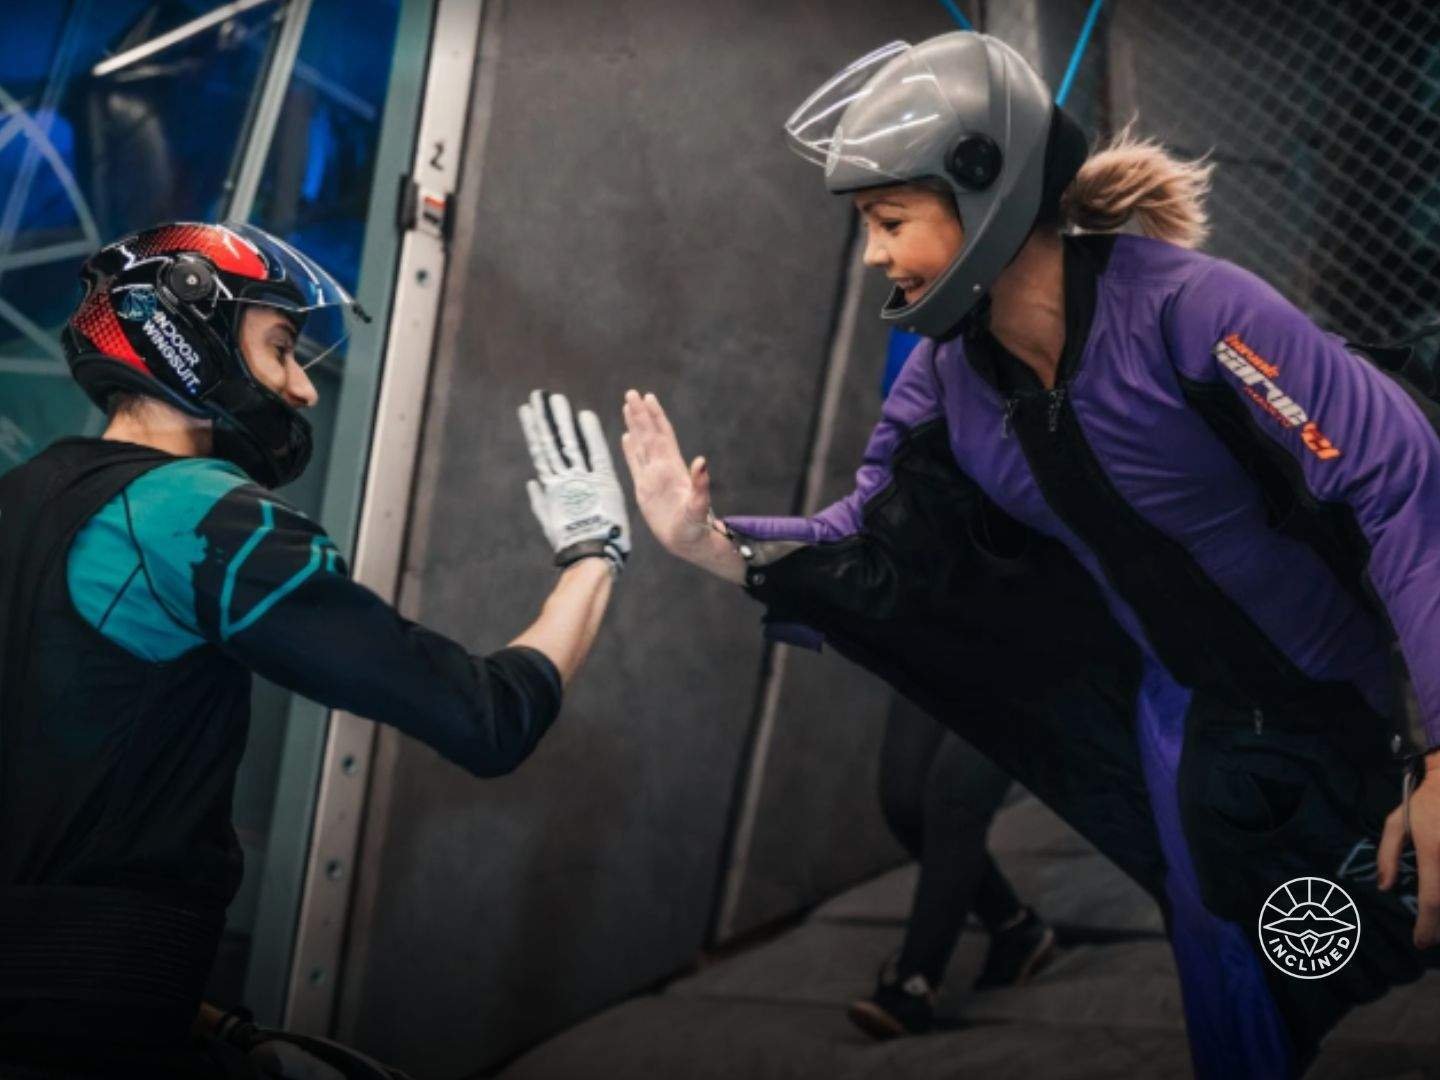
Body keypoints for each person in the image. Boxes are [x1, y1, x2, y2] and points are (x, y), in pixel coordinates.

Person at [621, 32, 1440, 1079]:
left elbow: (1401, 480)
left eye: (889, 221)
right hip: (1192, 731)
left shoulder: (1197, 312)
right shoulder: (944, 380)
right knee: (1254, 971)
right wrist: (707, 541)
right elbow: (871, 541)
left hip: (1359, 697)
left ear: (990, 198)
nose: (875, 254)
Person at [0, 222, 629, 1077]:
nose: (301, 388)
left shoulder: (22, 496)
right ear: (191, 335)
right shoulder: (204, 515)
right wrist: (594, 558)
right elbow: (485, 717)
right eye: (282, 348)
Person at [847, 696, 1055, 1039]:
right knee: (904, 806)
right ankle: (1015, 930)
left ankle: (913, 984)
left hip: (1031, 660)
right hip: (937, 645)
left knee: (957, 796)